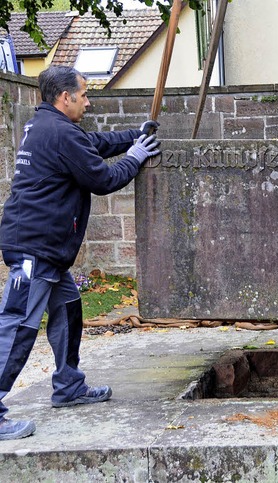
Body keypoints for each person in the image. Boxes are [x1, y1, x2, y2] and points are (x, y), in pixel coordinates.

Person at [0, 65, 161, 440]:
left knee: (69, 311)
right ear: (64, 97)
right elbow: (102, 179)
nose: (88, 102)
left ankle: (68, 385)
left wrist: (134, 136)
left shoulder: (48, 126)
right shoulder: (57, 132)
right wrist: (135, 158)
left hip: (46, 249)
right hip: (34, 250)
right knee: (18, 327)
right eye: (84, 94)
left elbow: (96, 145)